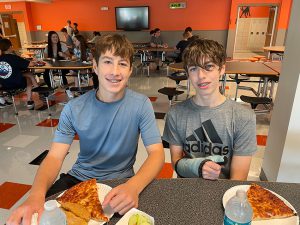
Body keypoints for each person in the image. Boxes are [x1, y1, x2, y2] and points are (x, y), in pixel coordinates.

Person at [6, 34, 164, 225]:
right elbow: (55, 157)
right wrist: (36, 195)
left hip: (123, 181)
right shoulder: (74, 108)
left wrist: (134, 186)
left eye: (122, 64)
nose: (115, 71)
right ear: (95, 67)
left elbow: (156, 153)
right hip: (77, 179)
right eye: (107, 61)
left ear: (130, 70)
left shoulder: (141, 105)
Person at [163, 38, 257, 181]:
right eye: (194, 69)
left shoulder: (243, 117)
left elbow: (238, 177)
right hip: (186, 190)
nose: (201, 76)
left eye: (209, 67)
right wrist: (197, 167)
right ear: (187, 74)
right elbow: (176, 162)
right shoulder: (175, 114)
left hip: (223, 193)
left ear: (222, 69)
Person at [0, 39, 39, 109]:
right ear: (9, 47)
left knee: (28, 75)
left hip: (3, 84)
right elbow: (31, 64)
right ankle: (29, 101)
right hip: (16, 83)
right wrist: (35, 61)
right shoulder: (14, 58)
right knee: (28, 79)